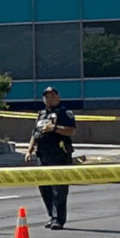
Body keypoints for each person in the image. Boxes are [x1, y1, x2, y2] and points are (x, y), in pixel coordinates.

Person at [24, 86, 77, 230]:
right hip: (43, 155)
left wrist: (54, 128)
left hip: (59, 154)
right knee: (44, 187)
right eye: (47, 97)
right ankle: (51, 216)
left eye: (52, 96)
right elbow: (35, 133)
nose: (49, 99)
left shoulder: (64, 112)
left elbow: (72, 131)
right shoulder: (41, 114)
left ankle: (59, 219)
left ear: (58, 97)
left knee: (58, 188)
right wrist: (29, 150)